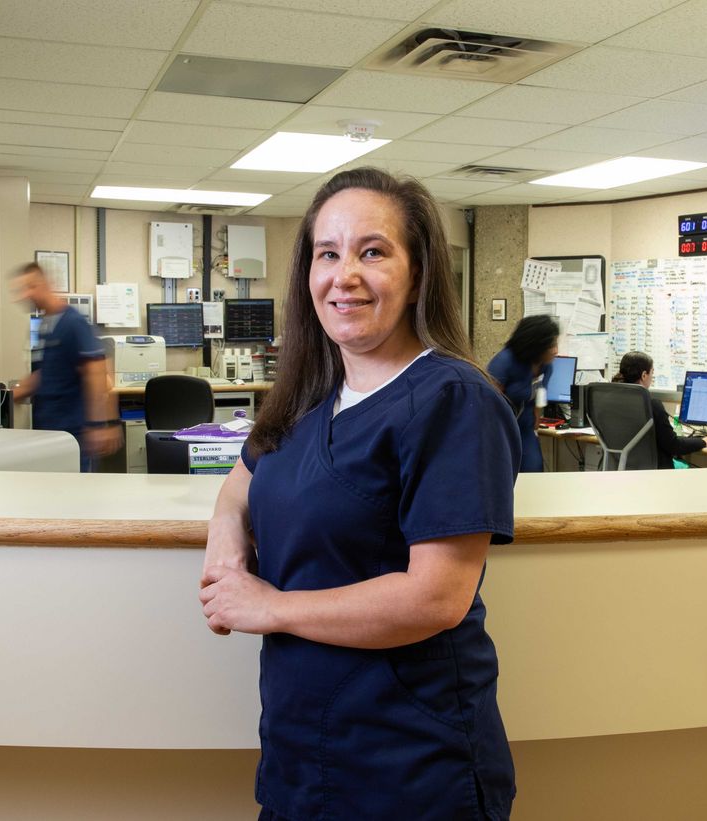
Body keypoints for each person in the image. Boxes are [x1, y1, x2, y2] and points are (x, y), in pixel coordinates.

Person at [197, 168, 522, 820]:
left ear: (418, 271)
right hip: (299, 751)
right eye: (328, 253)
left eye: (372, 251)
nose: (344, 275)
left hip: (408, 765)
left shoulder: (453, 400)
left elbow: (436, 596)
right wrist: (225, 548)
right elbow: (240, 484)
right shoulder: (308, 396)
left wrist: (271, 606)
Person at [10, 262, 119, 472]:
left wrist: (100, 425)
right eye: (21, 290)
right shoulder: (45, 325)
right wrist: (5, 396)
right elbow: (44, 374)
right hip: (49, 430)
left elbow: (97, 374)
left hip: (74, 433)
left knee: (75, 498)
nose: (24, 295)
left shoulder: (73, 323)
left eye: (29, 287)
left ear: (44, 285)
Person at [612, 351, 707, 469]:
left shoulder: (612, 401)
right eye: (652, 373)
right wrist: (704, 441)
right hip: (653, 474)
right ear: (644, 375)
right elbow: (673, 445)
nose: (652, 378)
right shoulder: (651, 405)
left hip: (620, 469)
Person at [487, 315, 560, 473]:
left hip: (525, 430)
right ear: (536, 345)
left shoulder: (546, 366)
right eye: (551, 345)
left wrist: (536, 426)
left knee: (534, 471)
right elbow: (488, 406)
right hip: (501, 432)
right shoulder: (504, 362)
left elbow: (539, 398)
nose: (556, 351)